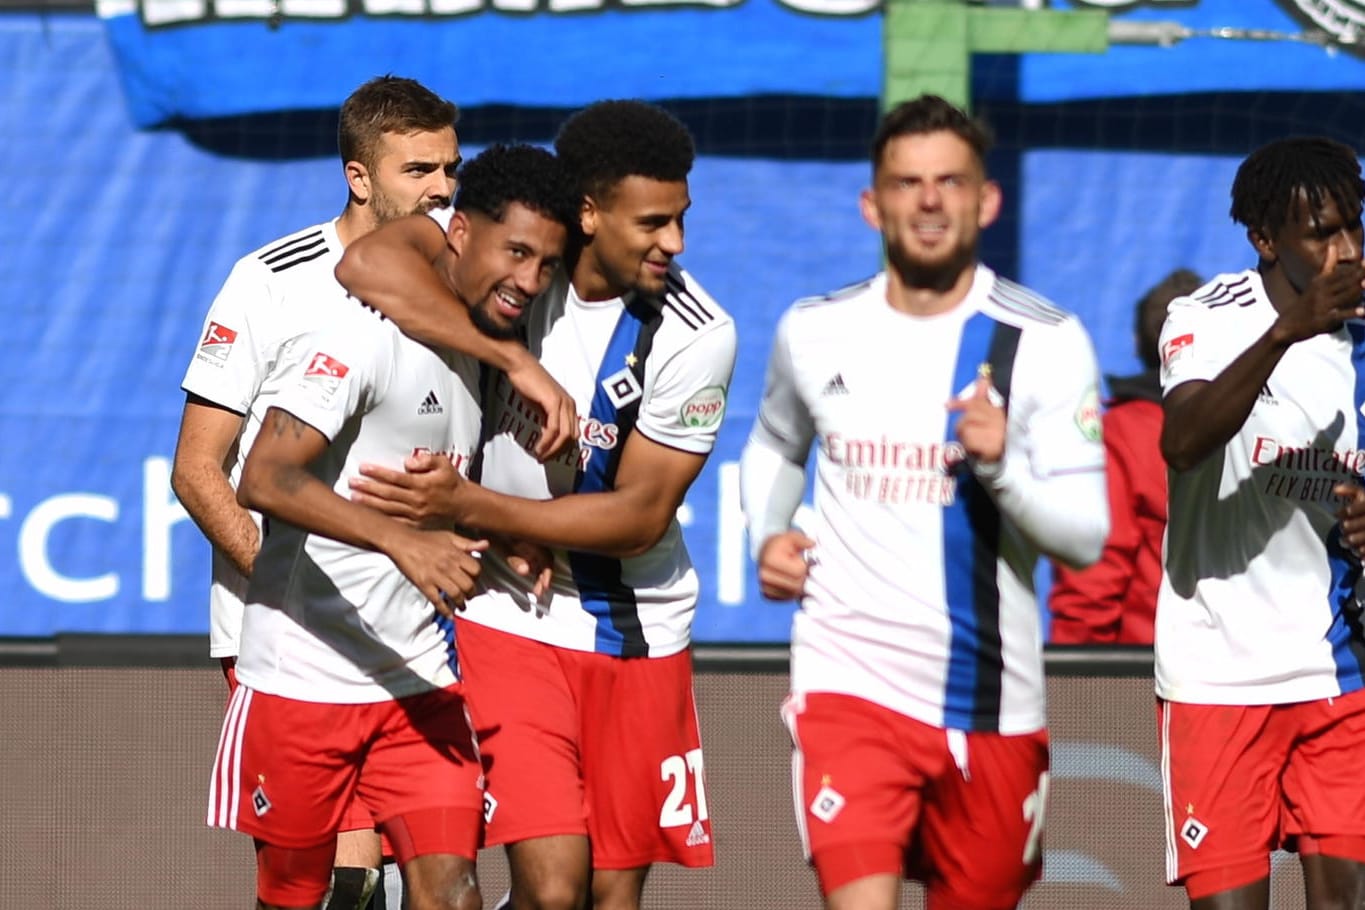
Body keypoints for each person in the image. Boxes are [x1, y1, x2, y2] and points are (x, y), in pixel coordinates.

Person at [172, 76, 573, 908]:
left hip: (416, 641)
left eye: (448, 170)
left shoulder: (474, 301)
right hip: (295, 638)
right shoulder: (278, 284)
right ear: (359, 177)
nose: (438, 188)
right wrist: (292, 578)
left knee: (439, 880)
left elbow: (448, 471)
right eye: (415, 170)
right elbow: (203, 470)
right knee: (341, 885)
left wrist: (503, 534)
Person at [334, 99, 736, 910]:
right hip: (510, 619)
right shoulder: (520, 266)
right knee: (552, 889)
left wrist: (479, 509)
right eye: (653, 222)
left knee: (609, 897)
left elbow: (639, 519)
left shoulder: (695, 334)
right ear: (588, 214)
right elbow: (367, 264)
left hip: (637, 630)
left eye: (681, 220)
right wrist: (512, 361)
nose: (675, 244)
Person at [738, 94, 1109, 910]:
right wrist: (768, 532)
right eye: (908, 183)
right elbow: (772, 441)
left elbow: (1085, 539)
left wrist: (1002, 465)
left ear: (986, 200)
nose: (930, 200)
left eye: (949, 182)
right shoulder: (814, 329)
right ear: (873, 203)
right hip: (848, 681)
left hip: (990, 700)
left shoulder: (1043, 341)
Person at [1155, 136, 1365, 910]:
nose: (1344, 250)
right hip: (1218, 674)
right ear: (1266, 240)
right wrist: (1285, 333)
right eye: (1321, 232)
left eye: (1353, 226)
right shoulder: (1204, 318)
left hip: (1341, 673)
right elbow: (1180, 442)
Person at [1048, 268, 1203, 645]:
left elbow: (1092, 576)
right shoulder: (1265, 427)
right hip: (1262, 684)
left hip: (1143, 677)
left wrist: (1076, 692)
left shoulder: (1121, 435)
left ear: (1137, 343)